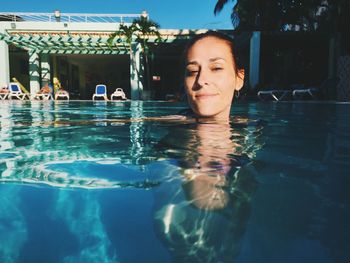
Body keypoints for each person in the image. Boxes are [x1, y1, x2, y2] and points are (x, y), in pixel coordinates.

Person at [183, 30, 245, 123]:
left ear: (239, 79)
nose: (200, 80)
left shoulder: (256, 130)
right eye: (193, 71)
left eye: (216, 68)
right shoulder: (157, 126)